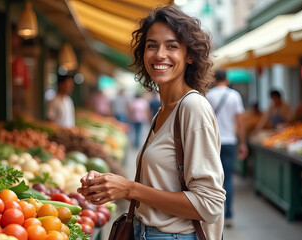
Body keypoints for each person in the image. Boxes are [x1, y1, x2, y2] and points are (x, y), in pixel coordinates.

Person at [78, 6, 225, 240]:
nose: (159, 54)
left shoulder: (192, 107)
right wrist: (108, 184)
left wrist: (128, 188)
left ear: (189, 55)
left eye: (172, 46)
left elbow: (209, 204)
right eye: (152, 45)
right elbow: (160, 186)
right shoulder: (163, 111)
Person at [206, 69, 248, 228]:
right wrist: (242, 143)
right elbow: (240, 122)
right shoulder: (234, 96)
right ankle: (228, 215)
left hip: (212, 143)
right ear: (227, 80)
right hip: (230, 141)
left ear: (214, 79)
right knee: (228, 179)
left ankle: (213, 216)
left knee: (212, 180)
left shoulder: (209, 96)